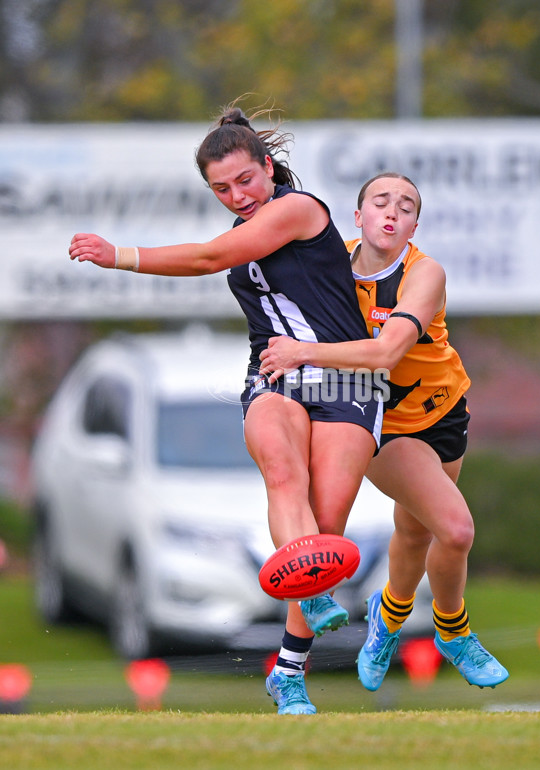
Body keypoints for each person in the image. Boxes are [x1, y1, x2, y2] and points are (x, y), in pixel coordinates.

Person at [69, 101, 386, 715]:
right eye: (221, 188)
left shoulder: (298, 209)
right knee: (284, 475)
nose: (237, 195)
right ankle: (313, 608)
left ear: (269, 167)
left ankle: (288, 671)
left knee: (327, 524)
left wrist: (120, 255)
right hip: (274, 376)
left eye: (245, 180)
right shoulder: (247, 223)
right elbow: (224, 257)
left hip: (344, 382)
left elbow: (209, 259)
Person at [259, 172, 509, 691]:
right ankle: (453, 631)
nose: (392, 212)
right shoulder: (330, 263)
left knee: (417, 529)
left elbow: (386, 352)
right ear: (358, 216)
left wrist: (301, 351)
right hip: (378, 424)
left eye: (406, 206)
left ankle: (386, 621)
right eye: (380, 201)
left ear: (415, 223)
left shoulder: (425, 273)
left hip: (444, 412)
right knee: (456, 530)